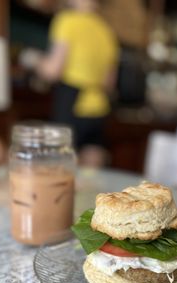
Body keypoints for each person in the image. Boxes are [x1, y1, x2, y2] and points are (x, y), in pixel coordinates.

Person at [34, 0, 119, 167]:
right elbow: (109, 83)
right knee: (93, 163)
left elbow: (53, 70)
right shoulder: (107, 31)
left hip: (71, 102)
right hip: (98, 106)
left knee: (62, 166)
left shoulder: (67, 20)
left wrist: (35, 62)